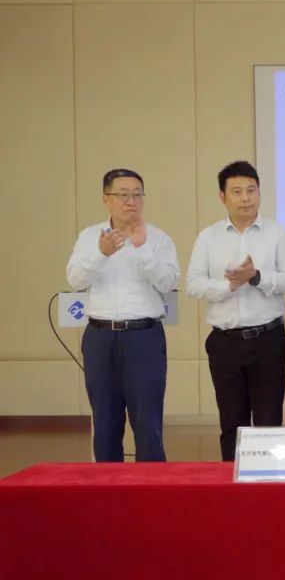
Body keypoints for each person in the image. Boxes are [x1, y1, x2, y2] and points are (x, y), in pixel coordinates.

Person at [187, 160, 285, 461]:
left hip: (268, 339)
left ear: (260, 193)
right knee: (231, 423)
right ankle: (231, 482)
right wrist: (230, 286)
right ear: (222, 196)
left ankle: (269, 481)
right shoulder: (208, 237)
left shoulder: (277, 233)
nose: (246, 198)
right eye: (237, 191)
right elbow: (193, 284)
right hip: (224, 341)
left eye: (251, 190)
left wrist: (256, 277)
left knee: (268, 422)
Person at [66, 169, 178, 462]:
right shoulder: (89, 236)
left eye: (137, 194)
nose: (131, 201)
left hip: (144, 337)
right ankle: (106, 485)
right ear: (106, 199)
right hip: (100, 337)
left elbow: (168, 283)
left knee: (148, 423)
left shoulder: (158, 239)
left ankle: (150, 485)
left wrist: (142, 249)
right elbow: (75, 280)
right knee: (104, 423)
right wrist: (101, 253)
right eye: (123, 194)